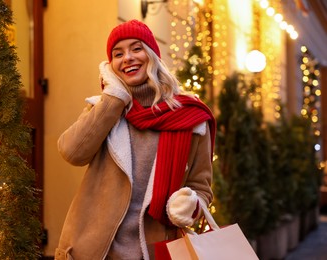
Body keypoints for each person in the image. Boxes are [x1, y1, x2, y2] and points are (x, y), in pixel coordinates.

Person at [55, 19, 216, 260]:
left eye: (136, 48)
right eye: (118, 54)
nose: (127, 58)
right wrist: (114, 98)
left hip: (155, 249)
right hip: (95, 250)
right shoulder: (104, 108)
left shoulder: (190, 118)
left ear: (152, 55)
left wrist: (188, 206)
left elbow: (201, 187)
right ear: (111, 66)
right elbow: (72, 152)